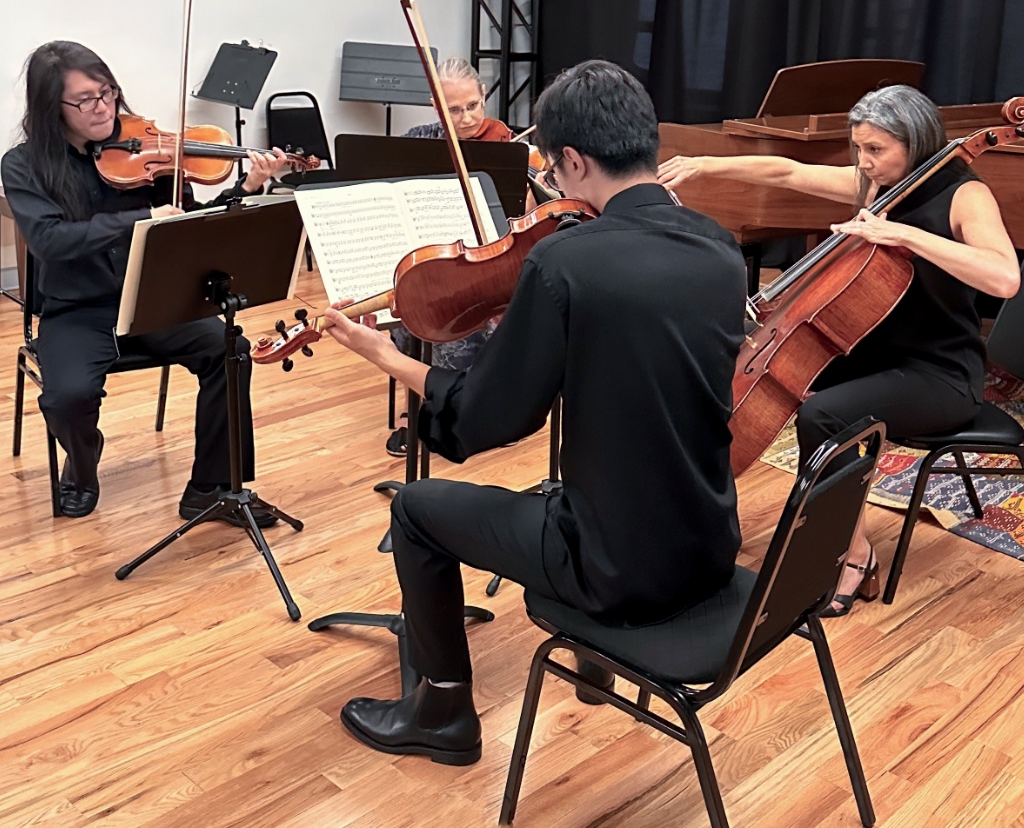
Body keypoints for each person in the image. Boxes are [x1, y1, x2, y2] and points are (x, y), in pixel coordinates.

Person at [320, 59, 747, 765]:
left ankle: (442, 712)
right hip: (706, 549)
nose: (551, 184)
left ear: (574, 160)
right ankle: (592, 670)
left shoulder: (569, 263)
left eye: (551, 169)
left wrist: (389, 357)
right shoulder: (719, 248)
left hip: (613, 570)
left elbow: (491, 418)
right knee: (576, 480)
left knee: (417, 508)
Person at [659, 83, 1020, 615]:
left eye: (875, 150)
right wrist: (703, 165)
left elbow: (1005, 277)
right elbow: (787, 172)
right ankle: (704, 520)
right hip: (877, 355)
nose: (864, 162)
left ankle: (853, 555)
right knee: (780, 378)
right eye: (859, 149)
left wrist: (906, 237)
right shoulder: (879, 185)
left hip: (941, 374)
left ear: (915, 141)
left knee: (825, 415)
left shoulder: (964, 195)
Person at [1, 40, 288, 522]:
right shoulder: (23, 165)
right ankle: (83, 460)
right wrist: (143, 219)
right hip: (78, 309)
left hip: (152, 299)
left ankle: (210, 489)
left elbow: (191, 225)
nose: (103, 107)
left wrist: (246, 188)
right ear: (53, 107)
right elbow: (50, 241)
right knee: (68, 397)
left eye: (107, 92)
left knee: (230, 348)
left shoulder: (147, 151)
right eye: (86, 100)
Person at [386, 58, 516, 457]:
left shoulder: (505, 147)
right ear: (435, 106)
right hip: (433, 260)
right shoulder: (416, 142)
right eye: (454, 110)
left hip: (485, 266)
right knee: (409, 302)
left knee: (451, 307)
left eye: (474, 106)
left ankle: (464, 406)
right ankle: (422, 403)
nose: (467, 118)